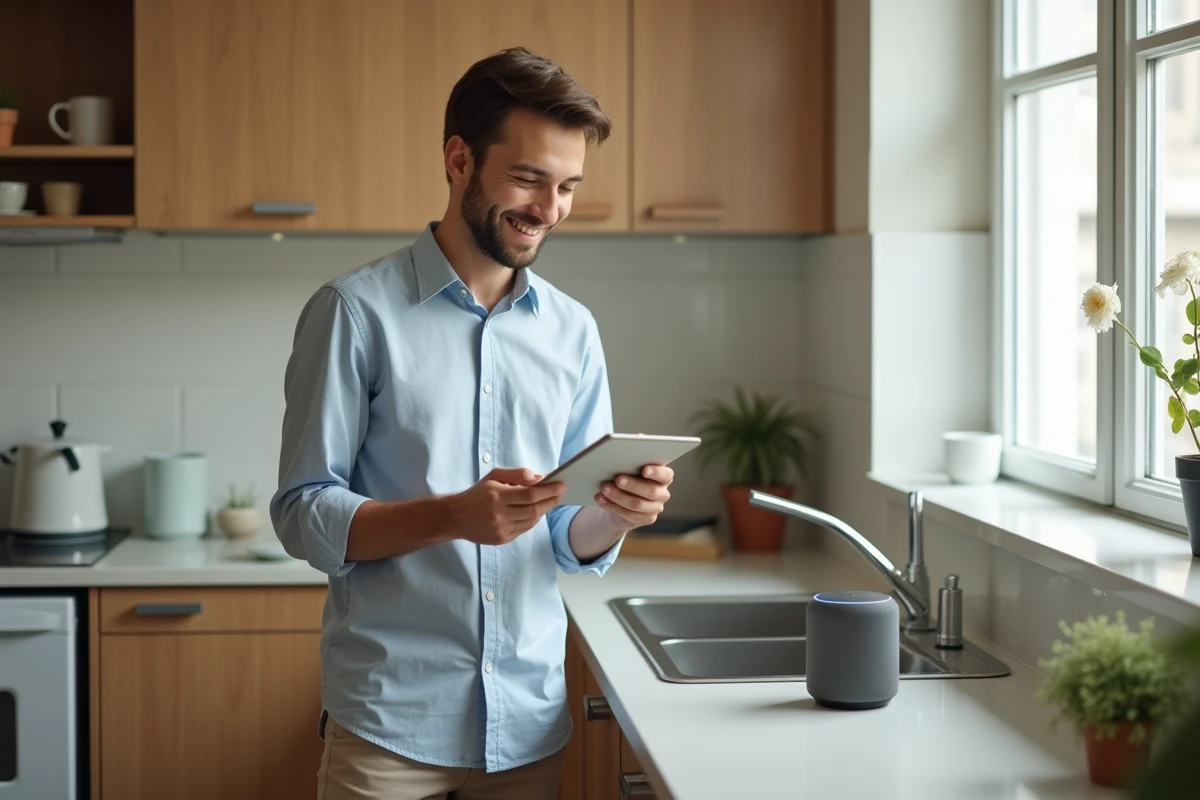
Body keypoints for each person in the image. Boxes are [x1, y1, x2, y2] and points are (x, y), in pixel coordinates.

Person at [270, 47, 676, 800]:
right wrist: (454, 515)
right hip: (389, 725)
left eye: (567, 187)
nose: (549, 209)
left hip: (526, 721)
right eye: (528, 179)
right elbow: (302, 513)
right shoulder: (354, 313)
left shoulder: (573, 331)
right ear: (460, 159)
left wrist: (615, 516)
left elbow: (565, 535)